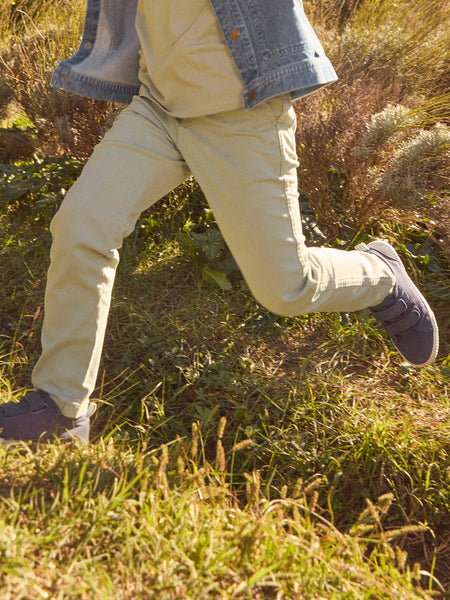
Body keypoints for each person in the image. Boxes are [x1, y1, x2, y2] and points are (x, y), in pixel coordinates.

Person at [0, 0, 439, 445]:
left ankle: (381, 275)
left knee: (287, 288)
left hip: (241, 109)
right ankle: (62, 409)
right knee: (82, 227)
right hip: (158, 105)